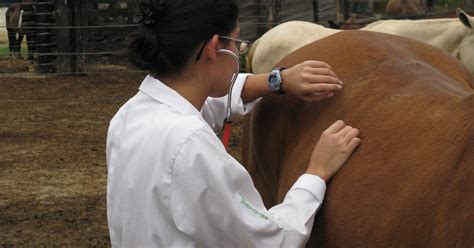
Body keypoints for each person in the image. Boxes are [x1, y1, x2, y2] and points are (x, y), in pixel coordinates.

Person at [106, 0, 361, 247]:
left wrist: (278, 80)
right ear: (213, 48)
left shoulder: (129, 116)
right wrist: (317, 172)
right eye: (237, 42)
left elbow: (211, 103)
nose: (239, 51)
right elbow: (271, 241)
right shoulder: (191, 146)